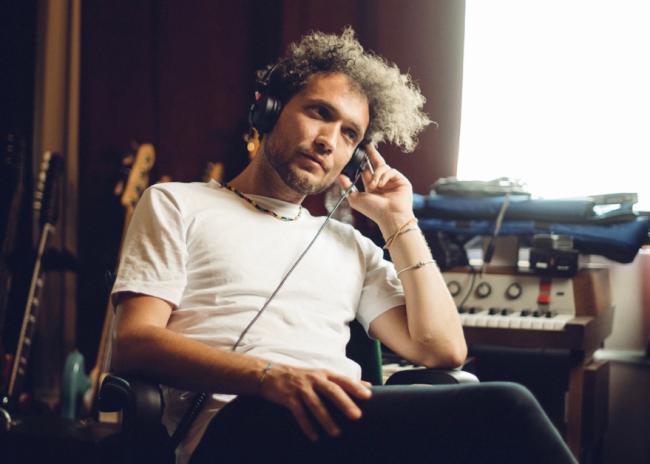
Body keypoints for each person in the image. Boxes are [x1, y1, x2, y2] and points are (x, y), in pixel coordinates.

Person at [110, 27, 577, 464]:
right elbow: (134, 344)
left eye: (350, 134)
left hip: (341, 426)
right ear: (267, 109)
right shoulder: (177, 203)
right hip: (239, 426)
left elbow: (443, 350)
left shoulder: (349, 245)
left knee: (486, 418)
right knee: (507, 407)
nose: (329, 141)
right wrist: (270, 377)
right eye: (319, 113)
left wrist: (399, 222)